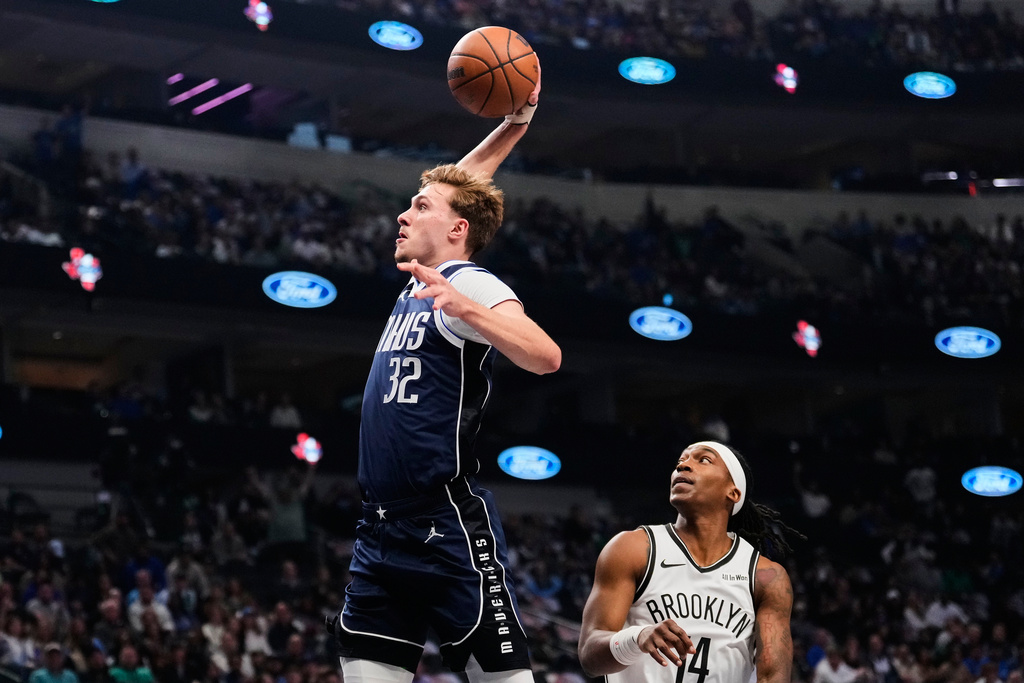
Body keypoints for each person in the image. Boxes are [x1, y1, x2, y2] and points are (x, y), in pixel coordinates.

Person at [330, 68, 560, 683]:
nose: (403, 214)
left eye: (419, 207)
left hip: (445, 527)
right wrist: (514, 124)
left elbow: (546, 356)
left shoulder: (468, 283)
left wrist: (470, 311)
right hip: (380, 529)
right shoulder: (424, 280)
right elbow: (461, 189)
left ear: (456, 232)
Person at [577, 441, 802, 683]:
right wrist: (636, 638)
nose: (683, 466)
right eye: (681, 461)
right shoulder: (633, 549)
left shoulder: (766, 576)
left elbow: (773, 677)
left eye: (703, 459)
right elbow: (589, 656)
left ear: (733, 492)